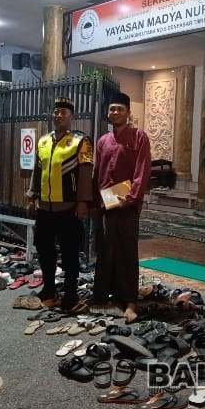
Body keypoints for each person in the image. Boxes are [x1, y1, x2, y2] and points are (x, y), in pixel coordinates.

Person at [26, 97, 93, 312]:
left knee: (70, 253)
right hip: (44, 209)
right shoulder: (43, 141)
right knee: (44, 250)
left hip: (68, 209)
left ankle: (71, 293)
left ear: (72, 116)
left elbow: (85, 174)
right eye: (56, 112)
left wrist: (83, 202)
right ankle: (49, 289)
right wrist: (31, 197)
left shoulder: (81, 141)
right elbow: (37, 172)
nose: (58, 115)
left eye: (63, 112)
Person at [93, 92, 151, 323]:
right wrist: (95, 202)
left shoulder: (139, 137)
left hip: (127, 205)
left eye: (120, 109)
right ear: (107, 113)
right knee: (105, 251)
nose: (115, 112)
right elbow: (98, 173)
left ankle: (130, 302)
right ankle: (102, 297)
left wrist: (132, 197)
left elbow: (142, 169)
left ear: (128, 112)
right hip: (106, 204)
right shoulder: (102, 141)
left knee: (127, 252)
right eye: (112, 109)